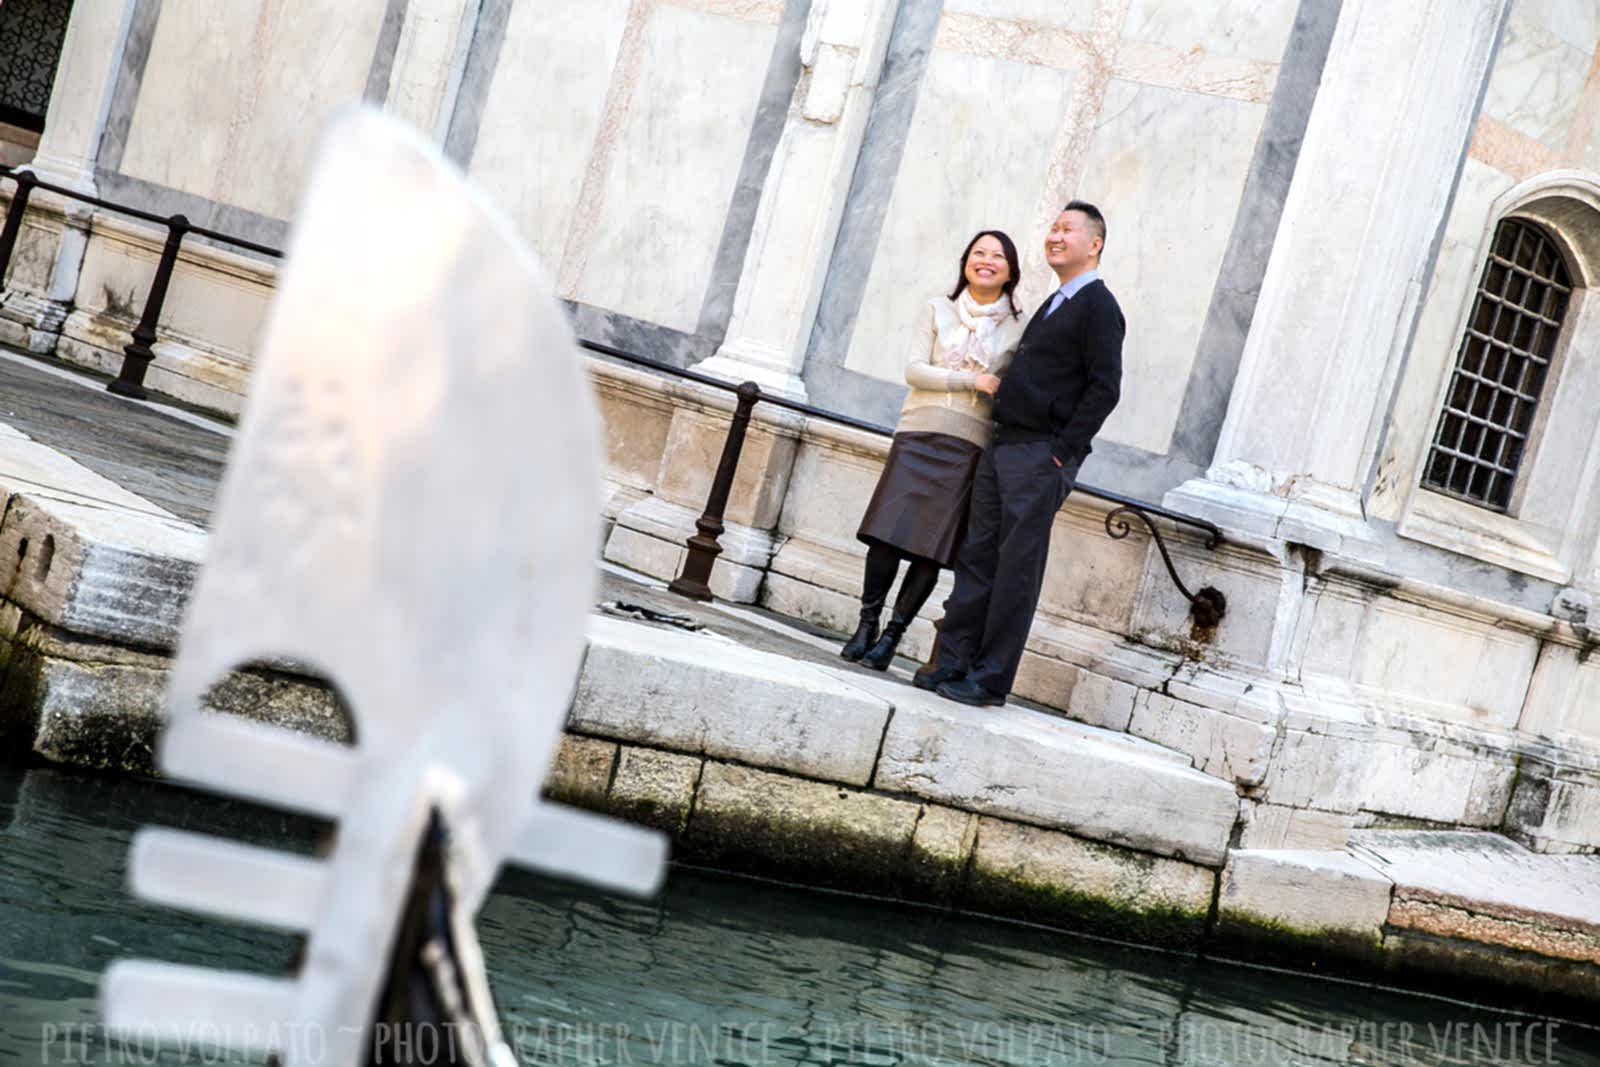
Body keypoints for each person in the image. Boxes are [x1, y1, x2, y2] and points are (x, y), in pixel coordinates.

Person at [918, 201, 1124, 706]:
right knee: (978, 557)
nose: (1055, 236)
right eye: (1053, 228)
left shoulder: (1099, 306)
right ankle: (955, 662)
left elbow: (1105, 389)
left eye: (1068, 230)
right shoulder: (1055, 303)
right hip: (1004, 445)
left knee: (1016, 568)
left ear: (1094, 244)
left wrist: (1062, 453)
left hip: (1039, 457)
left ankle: (989, 680)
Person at [841, 230, 1028, 670]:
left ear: (1010, 270)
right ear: (966, 261)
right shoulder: (936, 310)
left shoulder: (1020, 326)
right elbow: (914, 370)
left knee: (931, 547)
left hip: (969, 445)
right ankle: (865, 625)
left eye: (997, 256)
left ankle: (892, 638)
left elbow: (1009, 387)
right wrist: (969, 380)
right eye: (978, 253)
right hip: (919, 433)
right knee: (887, 535)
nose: (986, 261)